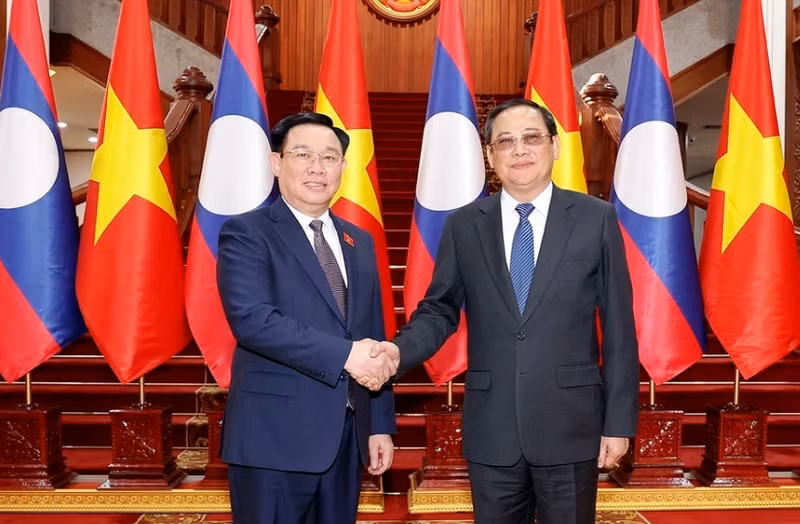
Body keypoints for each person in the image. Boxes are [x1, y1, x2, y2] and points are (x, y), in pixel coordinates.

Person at [375, 99, 639, 523]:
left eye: (532, 138)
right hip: (492, 428)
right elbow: (439, 309)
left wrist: (619, 421)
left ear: (554, 146)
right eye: (506, 141)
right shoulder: (464, 225)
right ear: (489, 155)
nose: (520, 150)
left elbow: (620, 328)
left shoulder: (596, 218)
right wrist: (397, 352)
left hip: (571, 426)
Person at [216, 112, 397, 524]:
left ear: (344, 168)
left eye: (330, 157)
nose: (318, 168)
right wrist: (347, 355)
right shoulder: (247, 232)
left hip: (346, 438)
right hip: (272, 441)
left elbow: (373, 333)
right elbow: (254, 320)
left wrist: (379, 424)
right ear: (277, 163)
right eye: (303, 154)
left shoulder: (360, 240)